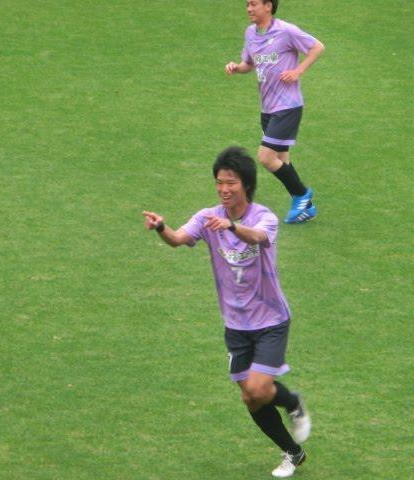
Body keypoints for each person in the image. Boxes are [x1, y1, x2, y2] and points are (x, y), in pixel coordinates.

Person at [143, 146, 311, 478]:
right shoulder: (208, 217)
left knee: (259, 388)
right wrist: (162, 227)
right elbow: (178, 238)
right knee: (251, 398)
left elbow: (258, 237)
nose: (223, 189)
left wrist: (231, 227)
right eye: (219, 182)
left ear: (246, 184)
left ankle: (293, 403)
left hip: (271, 320)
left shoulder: (264, 217)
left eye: (230, 182)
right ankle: (293, 452)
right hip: (235, 325)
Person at [225, 0, 325, 224]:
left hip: (288, 106)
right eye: (247, 4)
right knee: (281, 158)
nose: (249, 9)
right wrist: (236, 67)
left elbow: (317, 47)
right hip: (267, 108)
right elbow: (249, 64)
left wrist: (298, 71)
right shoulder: (250, 33)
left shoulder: (286, 31)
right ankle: (306, 207)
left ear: (268, 6)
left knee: (266, 157)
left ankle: (301, 194)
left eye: (253, 4)